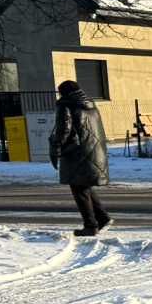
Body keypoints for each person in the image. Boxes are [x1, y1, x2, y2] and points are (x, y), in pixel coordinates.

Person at [49, 79, 112, 235]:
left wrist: (56, 147)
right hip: (92, 150)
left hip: (76, 152)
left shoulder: (66, 104)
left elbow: (64, 129)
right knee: (83, 186)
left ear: (63, 93)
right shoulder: (90, 104)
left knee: (78, 188)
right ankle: (102, 218)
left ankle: (91, 225)